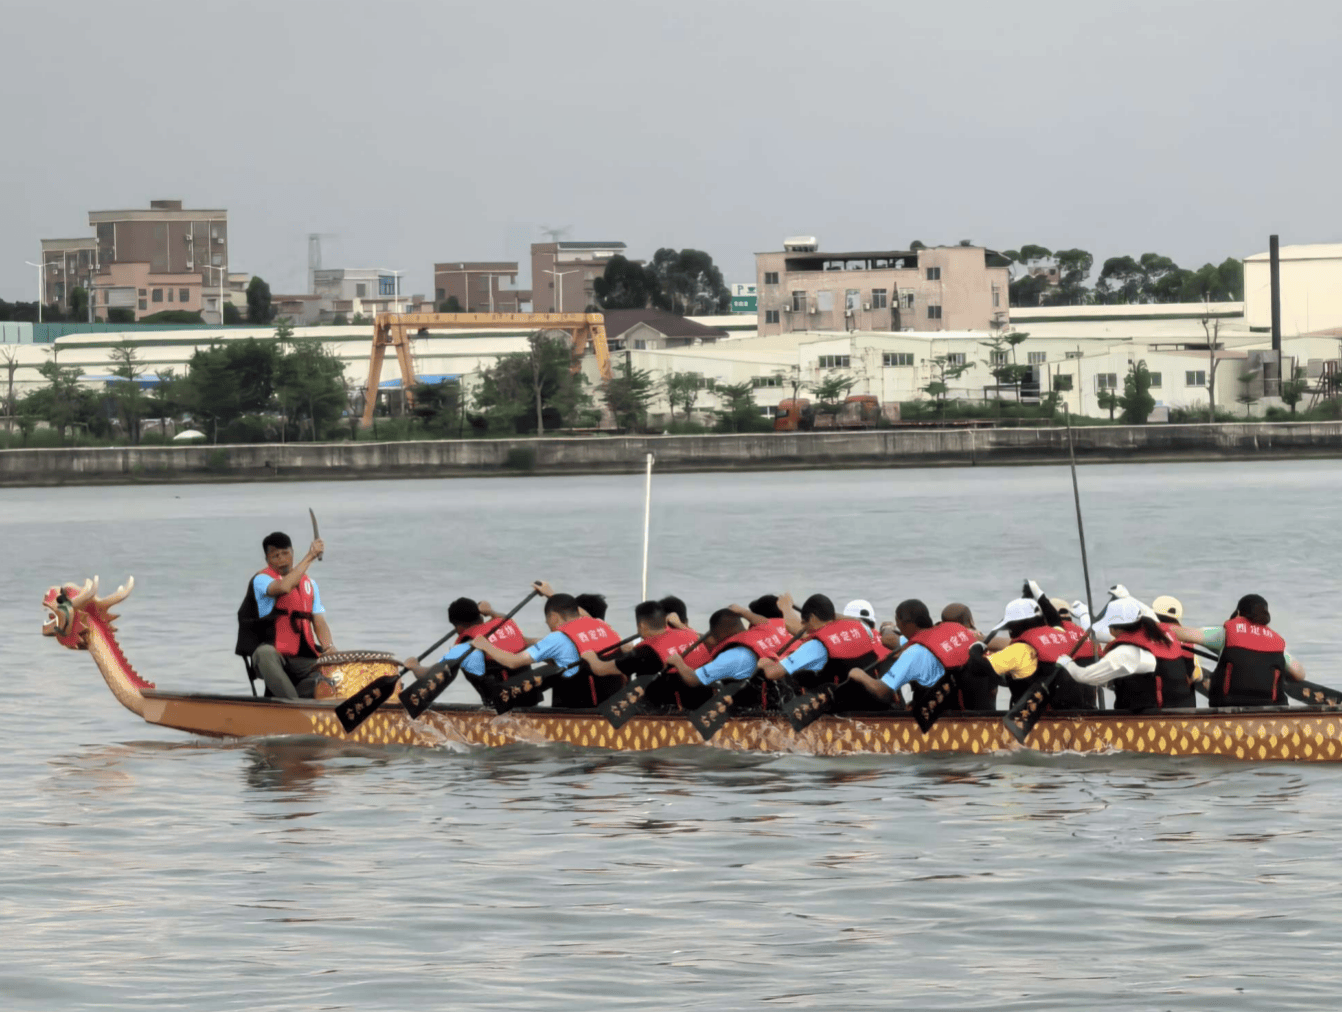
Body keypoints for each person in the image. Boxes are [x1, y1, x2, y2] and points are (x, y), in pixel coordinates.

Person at [472, 581, 623, 708]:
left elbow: (513, 662)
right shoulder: (600, 625)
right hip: (610, 705)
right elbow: (580, 612)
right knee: (547, 653)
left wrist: (485, 645)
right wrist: (550, 594)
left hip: (581, 709)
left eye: (548, 620)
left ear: (554, 617)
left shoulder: (557, 639)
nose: (547, 624)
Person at [235, 531, 334, 700]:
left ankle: (305, 697)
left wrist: (329, 647)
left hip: (303, 658)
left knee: (332, 672)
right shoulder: (262, 580)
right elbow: (283, 587)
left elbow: (319, 620)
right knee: (264, 653)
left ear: (293, 553)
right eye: (275, 556)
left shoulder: (310, 584)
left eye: (285, 553)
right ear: (267, 560)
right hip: (274, 657)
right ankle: (294, 708)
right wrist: (311, 556)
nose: (281, 559)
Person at [1055, 597, 1195, 710]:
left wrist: (1067, 663)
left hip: (1153, 721)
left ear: (1115, 629)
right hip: (1182, 711)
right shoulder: (1160, 633)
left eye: (1109, 627)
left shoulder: (1127, 652)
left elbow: (1085, 676)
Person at [402, 597, 541, 708]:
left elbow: (429, 675)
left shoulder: (465, 646)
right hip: (531, 700)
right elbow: (502, 618)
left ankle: (490, 708)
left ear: (459, 627)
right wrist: (491, 611)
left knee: (459, 662)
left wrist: (414, 666)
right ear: (480, 617)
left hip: (501, 706)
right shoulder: (507, 624)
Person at [1169, 593, 1305, 706]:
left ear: (1239, 613)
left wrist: (1153, 625)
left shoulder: (1224, 633)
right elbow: (1299, 674)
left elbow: (1182, 634)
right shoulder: (1275, 641)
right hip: (1270, 707)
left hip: (1227, 705)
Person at [845, 599, 974, 707]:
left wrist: (859, 675)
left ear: (905, 624)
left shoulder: (914, 653)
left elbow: (882, 691)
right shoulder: (948, 636)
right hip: (960, 706)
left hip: (933, 720)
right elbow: (892, 641)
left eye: (898, 622)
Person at [981, 589, 1097, 709]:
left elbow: (981, 666)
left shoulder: (1024, 647)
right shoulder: (1080, 641)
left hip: (1047, 718)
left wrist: (975, 644)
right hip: (1086, 712)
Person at [665, 609, 792, 710]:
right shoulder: (764, 630)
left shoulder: (733, 655)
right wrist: (682, 626)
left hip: (757, 713)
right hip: (785, 701)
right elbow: (712, 640)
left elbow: (694, 680)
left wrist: (678, 662)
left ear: (719, 634)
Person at [582, 600, 700, 708]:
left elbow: (600, 669)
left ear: (641, 625)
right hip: (702, 702)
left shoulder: (646, 652)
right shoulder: (690, 634)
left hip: (671, 713)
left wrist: (589, 654)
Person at [759, 594, 880, 692]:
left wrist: (766, 663)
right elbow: (849, 619)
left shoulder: (815, 646)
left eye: (804, 621)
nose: (802, 626)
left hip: (835, 707)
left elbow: (772, 674)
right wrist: (826, 612)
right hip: (865, 697)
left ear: (812, 618)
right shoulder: (864, 629)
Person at [1151, 595, 1201, 689]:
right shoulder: (1187, 638)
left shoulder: (1145, 635)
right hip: (1182, 696)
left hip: (1153, 695)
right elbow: (1196, 676)